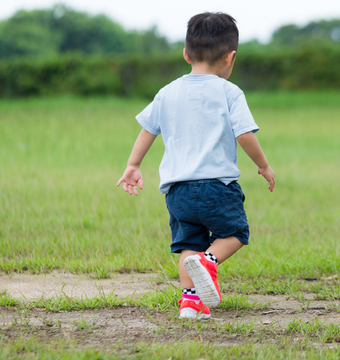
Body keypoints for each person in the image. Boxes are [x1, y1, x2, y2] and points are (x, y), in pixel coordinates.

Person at [116, 12, 275, 320]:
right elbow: (244, 134)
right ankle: (210, 261)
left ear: (186, 53)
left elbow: (148, 129)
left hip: (177, 192)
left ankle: (191, 304)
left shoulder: (168, 92)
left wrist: (133, 164)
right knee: (236, 233)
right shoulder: (229, 92)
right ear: (230, 58)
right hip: (217, 186)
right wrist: (263, 165)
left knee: (189, 245)